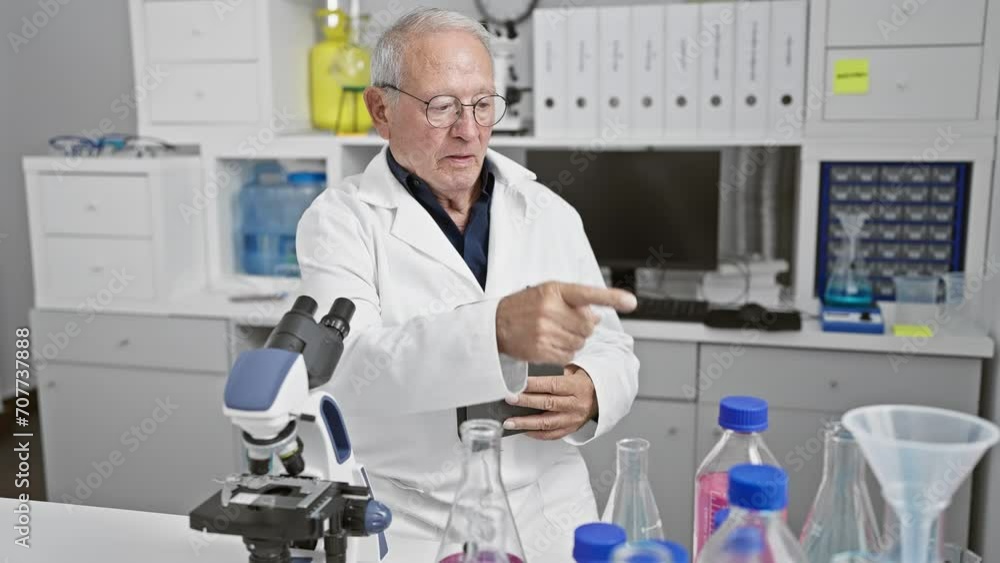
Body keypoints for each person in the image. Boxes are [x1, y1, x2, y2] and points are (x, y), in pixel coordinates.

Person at [297, 8, 639, 561]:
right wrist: (496, 331)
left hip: (546, 512)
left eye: (483, 104)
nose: (469, 129)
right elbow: (347, 367)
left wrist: (593, 391)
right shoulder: (341, 220)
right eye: (441, 106)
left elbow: (612, 349)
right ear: (380, 109)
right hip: (412, 519)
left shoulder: (548, 212)